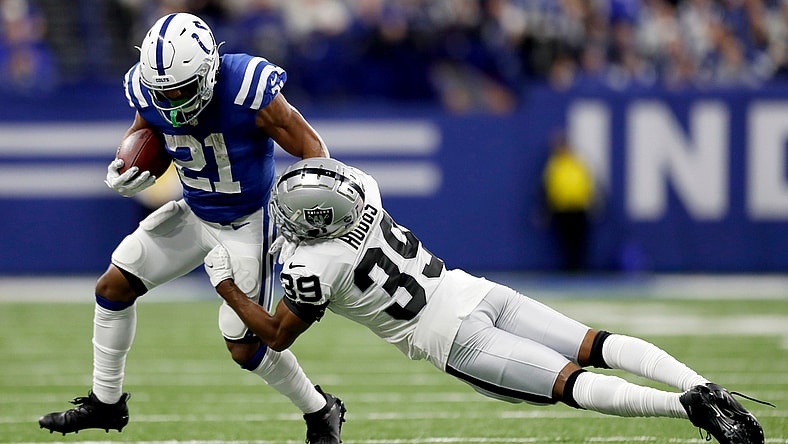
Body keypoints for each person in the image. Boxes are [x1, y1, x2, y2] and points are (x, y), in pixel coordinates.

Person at [204, 158, 769, 444]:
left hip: (453, 338)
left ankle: (686, 409)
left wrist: (226, 285)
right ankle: (697, 383)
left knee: (571, 382)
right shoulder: (365, 194)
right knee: (594, 343)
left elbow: (276, 334)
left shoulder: (312, 264)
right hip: (471, 289)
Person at [38, 13, 346, 444]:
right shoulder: (148, 90)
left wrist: (309, 215)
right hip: (195, 211)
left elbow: (312, 147)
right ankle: (106, 402)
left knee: (245, 347)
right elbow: (149, 134)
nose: (173, 101)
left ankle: (320, 409)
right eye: (163, 92)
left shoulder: (245, 85)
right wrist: (130, 166)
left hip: (247, 223)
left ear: (207, 70)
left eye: (181, 90)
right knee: (114, 285)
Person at [541, 130, 597, 271]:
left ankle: (580, 268)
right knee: (565, 243)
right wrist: (546, 208)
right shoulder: (554, 165)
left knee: (579, 242)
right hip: (561, 209)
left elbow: (587, 183)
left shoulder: (577, 162)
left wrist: (593, 203)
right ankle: (569, 269)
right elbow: (548, 187)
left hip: (579, 208)